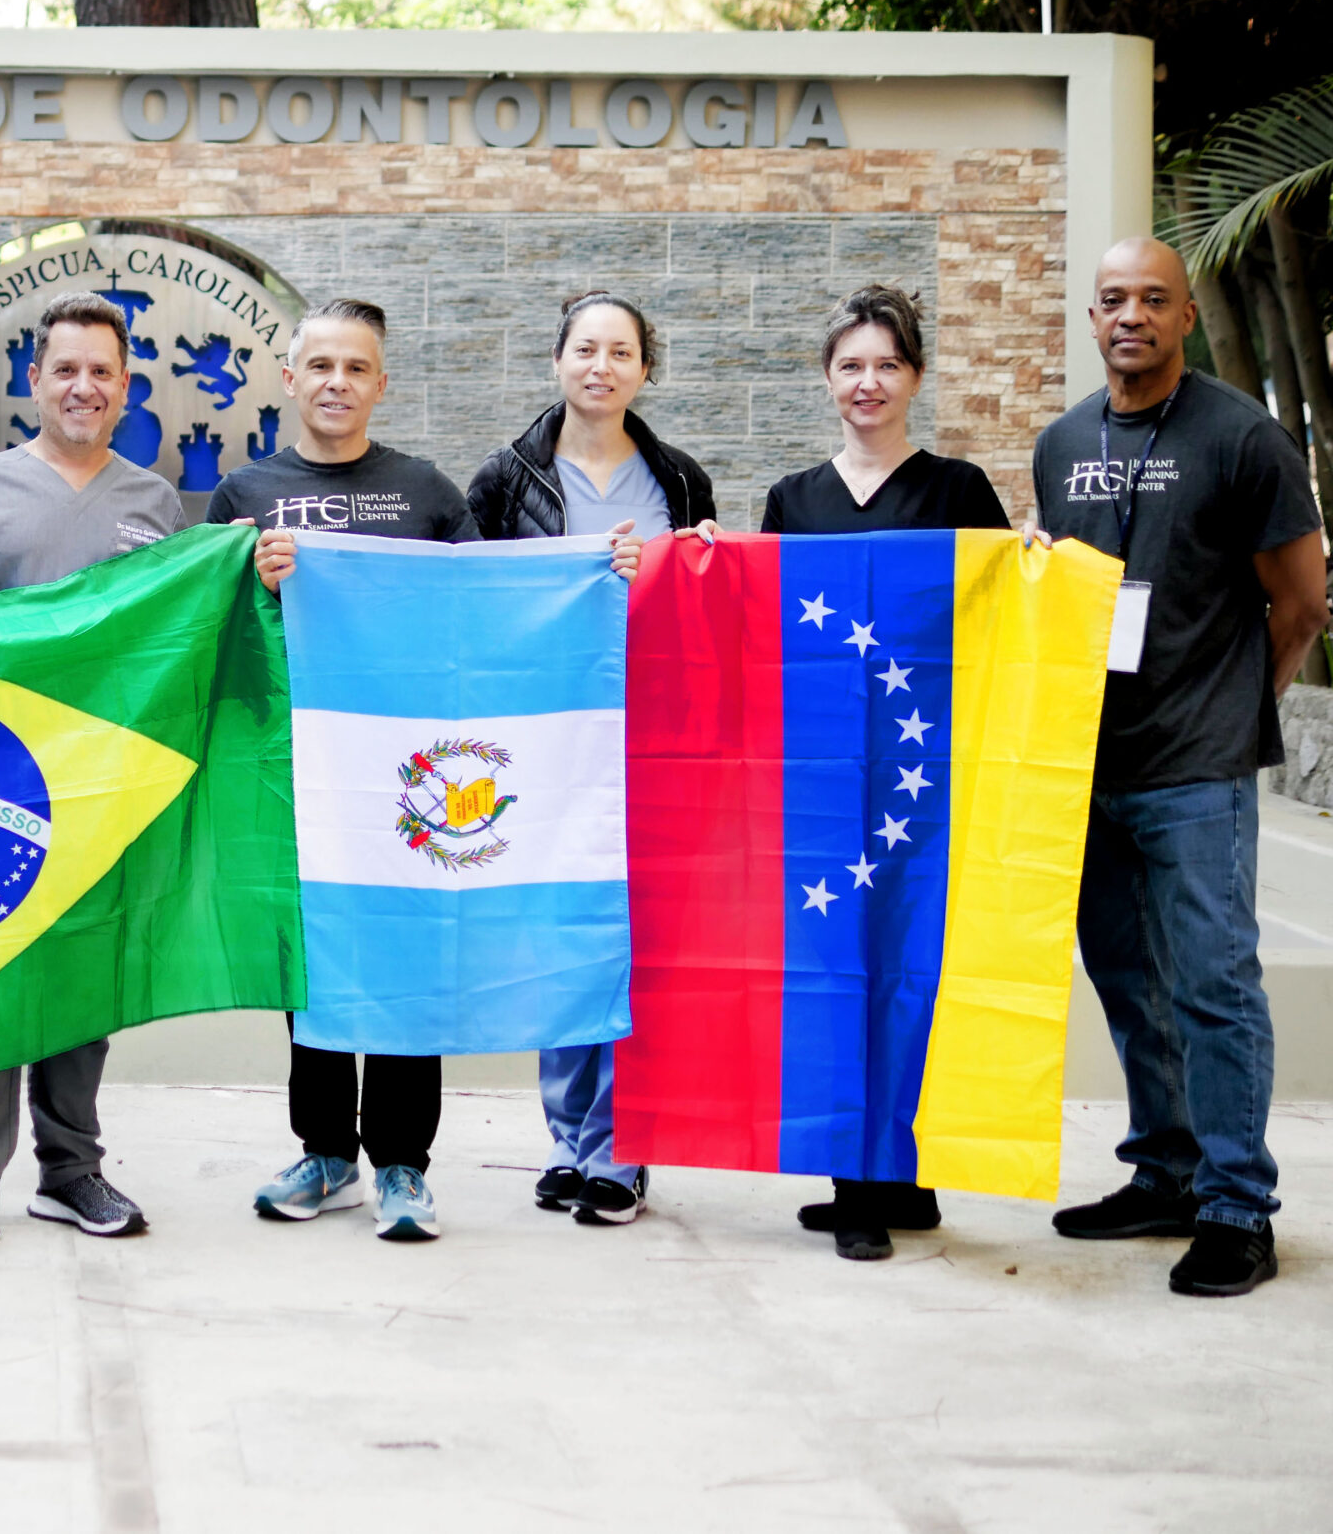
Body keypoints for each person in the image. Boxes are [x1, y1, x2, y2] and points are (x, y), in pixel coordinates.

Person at [1028, 236, 1325, 1298]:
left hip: (1196, 766)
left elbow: (1299, 604)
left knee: (1212, 982)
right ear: (1092, 315)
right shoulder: (1061, 445)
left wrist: (1238, 704)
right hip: (1086, 767)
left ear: (1185, 316)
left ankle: (1237, 1206)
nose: (1131, 316)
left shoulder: (1243, 439)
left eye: (1153, 298)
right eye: (1112, 299)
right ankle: (1165, 1171)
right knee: (1128, 983)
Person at [0, 291, 186, 1265]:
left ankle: (71, 1171)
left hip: (101, 782)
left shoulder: (154, 503)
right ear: (35, 379)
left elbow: (170, 640)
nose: (83, 386)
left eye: (102, 370)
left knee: (80, 982)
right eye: (65, 368)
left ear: (126, 385)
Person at [204, 297, 476, 1243]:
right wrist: (255, 580)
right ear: (290, 377)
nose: (336, 383)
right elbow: (213, 635)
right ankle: (327, 1151)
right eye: (320, 365)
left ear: (380, 383)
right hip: (295, 769)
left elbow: (476, 615)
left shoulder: (428, 491)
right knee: (308, 959)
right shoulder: (244, 493)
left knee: (406, 952)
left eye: (356, 368)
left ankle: (403, 1165)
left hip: (409, 775)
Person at [762, 284, 1009, 1262]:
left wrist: (1035, 566)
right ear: (827, 379)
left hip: (921, 773)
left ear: (915, 376)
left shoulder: (957, 489)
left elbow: (1005, 611)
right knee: (836, 967)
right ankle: (853, 1179)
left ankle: (897, 1179)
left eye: (886, 365)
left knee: (912, 965)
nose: (868, 383)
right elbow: (762, 623)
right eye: (850, 365)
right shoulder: (793, 499)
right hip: (824, 774)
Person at [467, 290, 716, 1228]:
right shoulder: (504, 478)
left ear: (644, 369)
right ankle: (569, 1140)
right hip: (547, 736)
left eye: (621, 351)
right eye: (585, 348)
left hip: (651, 733)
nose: (601, 366)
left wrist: (672, 568)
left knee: (636, 940)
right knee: (560, 934)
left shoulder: (681, 480)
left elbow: (703, 597)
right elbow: (481, 603)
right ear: (558, 360)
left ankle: (626, 1147)